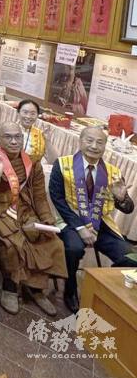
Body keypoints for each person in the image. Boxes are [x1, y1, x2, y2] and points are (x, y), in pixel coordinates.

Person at [0, 122, 67, 316]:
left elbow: (39, 196)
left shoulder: (32, 163)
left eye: (18, 137)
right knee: (12, 243)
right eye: (8, 137)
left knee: (49, 240)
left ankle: (36, 288)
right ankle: (10, 287)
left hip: (24, 210)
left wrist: (46, 218)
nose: (14, 141)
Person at [51, 126, 136, 313]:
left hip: (101, 224)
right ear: (80, 141)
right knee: (73, 249)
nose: (94, 146)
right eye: (89, 141)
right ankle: (70, 290)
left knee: (130, 258)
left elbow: (128, 208)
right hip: (71, 219)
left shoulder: (113, 172)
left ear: (105, 146)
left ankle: (102, 288)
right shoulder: (63, 165)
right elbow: (57, 199)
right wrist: (80, 227)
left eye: (100, 142)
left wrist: (122, 198)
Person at [16, 99, 56, 164]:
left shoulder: (40, 134)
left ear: (37, 115)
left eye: (33, 114)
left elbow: (54, 161)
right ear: (18, 113)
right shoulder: (7, 130)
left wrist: (48, 141)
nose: (28, 116)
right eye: (25, 112)